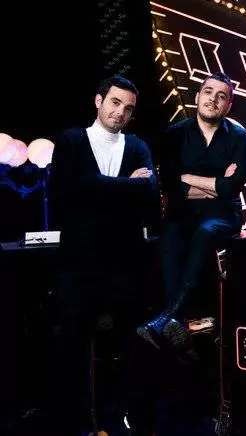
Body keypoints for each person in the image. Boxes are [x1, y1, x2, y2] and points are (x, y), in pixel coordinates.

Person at [48, 75, 157, 435]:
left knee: (131, 345)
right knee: (73, 345)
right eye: (115, 102)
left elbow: (148, 193)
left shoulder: (137, 145)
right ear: (98, 101)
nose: (121, 112)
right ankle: (76, 422)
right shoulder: (71, 140)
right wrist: (127, 186)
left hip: (126, 263)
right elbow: (68, 193)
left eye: (128, 108)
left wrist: (98, 191)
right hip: (79, 262)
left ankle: (125, 421)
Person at [137, 72, 246, 354]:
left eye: (221, 96)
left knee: (205, 232)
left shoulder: (239, 136)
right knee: (170, 241)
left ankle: (168, 316)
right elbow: (171, 184)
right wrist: (215, 184)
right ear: (198, 96)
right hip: (183, 212)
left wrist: (189, 178)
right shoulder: (175, 134)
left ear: (228, 105)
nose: (213, 99)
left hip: (223, 214)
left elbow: (232, 188)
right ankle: (178, 327)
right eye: (208, 92)